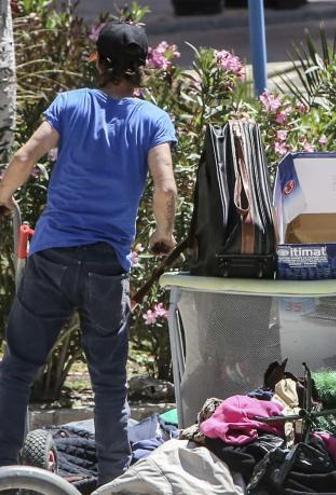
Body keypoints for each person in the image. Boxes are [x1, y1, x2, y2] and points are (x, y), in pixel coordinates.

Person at [0, 22, 177, 484]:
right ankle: (116, 481)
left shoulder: (72, 104)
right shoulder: (152, 121)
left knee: (18, 369)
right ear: (143, 70)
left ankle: (8, 474)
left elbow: (25, 157)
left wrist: (2, 195)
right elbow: (165, 185)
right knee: (109, 384)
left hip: (52, 258)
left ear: (98, 62)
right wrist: (163, 232)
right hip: (106, 266)